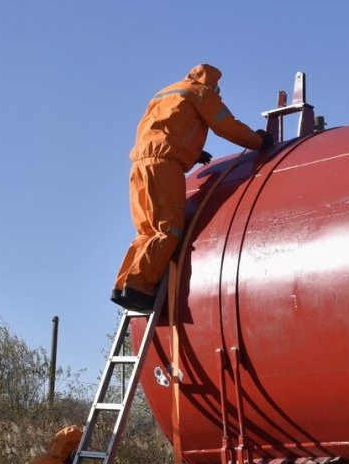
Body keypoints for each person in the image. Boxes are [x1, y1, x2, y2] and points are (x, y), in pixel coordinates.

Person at [112, 63, 274, 313]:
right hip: (165, 166)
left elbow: (163, 130)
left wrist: (192, 152)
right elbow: (227, 126)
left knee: (146, 230)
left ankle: (124, 285)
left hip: (138, 165)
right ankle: (140, 286)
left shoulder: (166, 93)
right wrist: (258, 141)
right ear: (212, 84)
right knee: (170, 228)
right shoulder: (201, 93)